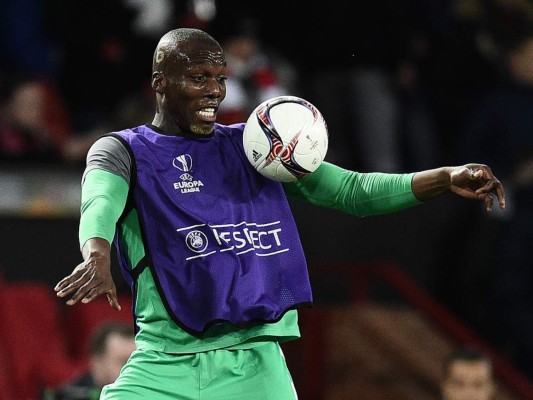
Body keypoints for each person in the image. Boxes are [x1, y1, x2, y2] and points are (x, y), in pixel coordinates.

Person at [54, 28, 505, 400]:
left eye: (219, 77)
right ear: (160, 84)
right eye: (198, 78)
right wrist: (96, 252)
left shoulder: (258, 147)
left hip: (255, 367)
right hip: (163, 364)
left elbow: (352, 190)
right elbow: (100, 202)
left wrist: (443, 177)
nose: (214, 90)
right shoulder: (124, 150)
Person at [49, 321, 136, 400]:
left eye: (137, 362)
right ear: (97, 363)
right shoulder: (69, 396)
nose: (134, 370)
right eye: (124, 362)